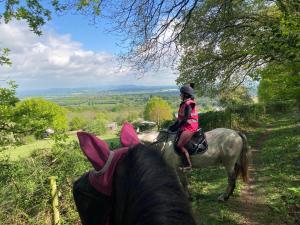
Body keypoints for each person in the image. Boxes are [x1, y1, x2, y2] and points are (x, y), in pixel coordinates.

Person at [168, 84, 198, 170]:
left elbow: (185, 119)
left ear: (186, 94)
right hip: (185, 125)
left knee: (179, 145)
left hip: (191, 126)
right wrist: (172, 127)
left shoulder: (189, 104)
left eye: (181, 93)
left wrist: (176, 127)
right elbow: (179, 119)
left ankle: (188, 165)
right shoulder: (183, 104)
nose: (180, 95)